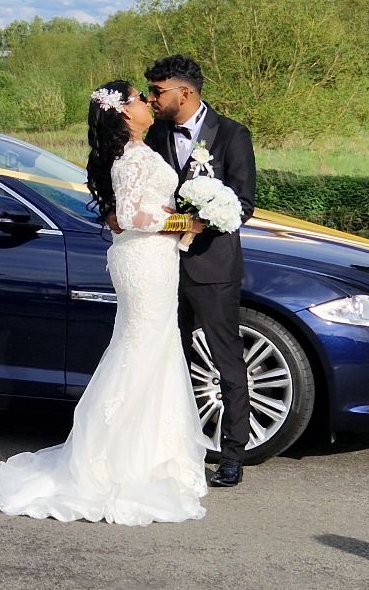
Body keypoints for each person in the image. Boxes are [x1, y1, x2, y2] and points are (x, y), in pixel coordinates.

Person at [0, 80, 208, 525]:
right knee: (140, 351)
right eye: (138, 99)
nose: (147, 103)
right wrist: (190, 220)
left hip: (156, 261)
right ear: (125, 114)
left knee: (154, 351)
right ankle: (115, 462)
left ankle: (153, 454)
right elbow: (128, 217)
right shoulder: (129, 160)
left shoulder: (142, 151)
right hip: (143, 262)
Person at [143, 55, 256, 488]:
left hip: (213, 267)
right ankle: (174, 446)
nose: (152, 99)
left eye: (158, 91)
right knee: (170, 358)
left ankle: (232, 453)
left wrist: (203, 220)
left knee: (226, 361)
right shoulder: (154, 136)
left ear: (184, 93)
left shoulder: (231, 135)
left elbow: (243, 204)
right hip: (161, 264)